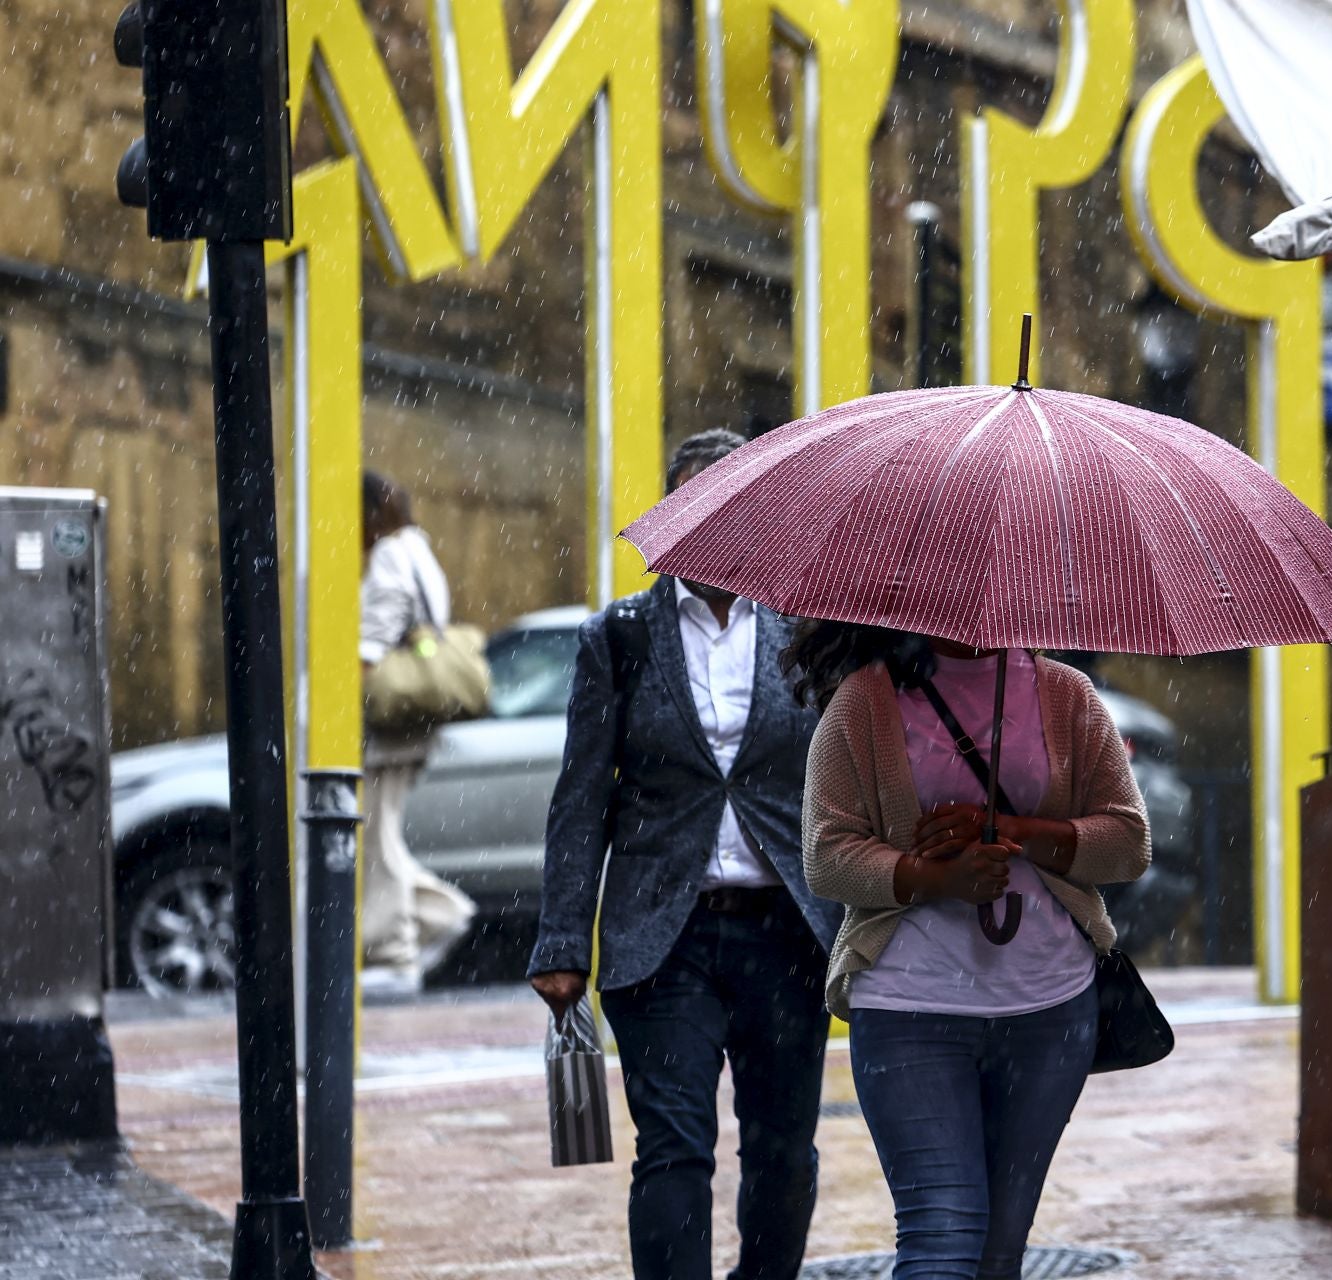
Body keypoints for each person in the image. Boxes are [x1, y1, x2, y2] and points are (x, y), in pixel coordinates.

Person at [528, 429, 842, 1280]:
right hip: (663, 940)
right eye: (693, 504)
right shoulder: (620, 639)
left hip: (788, 935)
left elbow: (847, 772)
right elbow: (580, 797)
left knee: (783, 1152)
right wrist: (562, 941)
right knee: (673, 1150)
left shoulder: (806, 630)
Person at [789, 623, 1149, 1280]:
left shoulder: (1067, 695)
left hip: (1050, 1010)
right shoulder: (864, 701)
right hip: (907, 1007)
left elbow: (1128, 843)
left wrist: (1014, 831)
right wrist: (934, 879)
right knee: (943, 1235)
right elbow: (826, 856)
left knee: (1000, 1252)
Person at [359, 470, 475, 996]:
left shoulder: (388, 554)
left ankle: (394, 950)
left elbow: (385, 616)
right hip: (412, 723)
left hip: (387, 726)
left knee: (375, 838)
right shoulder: (417, 548)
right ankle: (443, 913)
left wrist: (362, 663)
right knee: (381, 834)